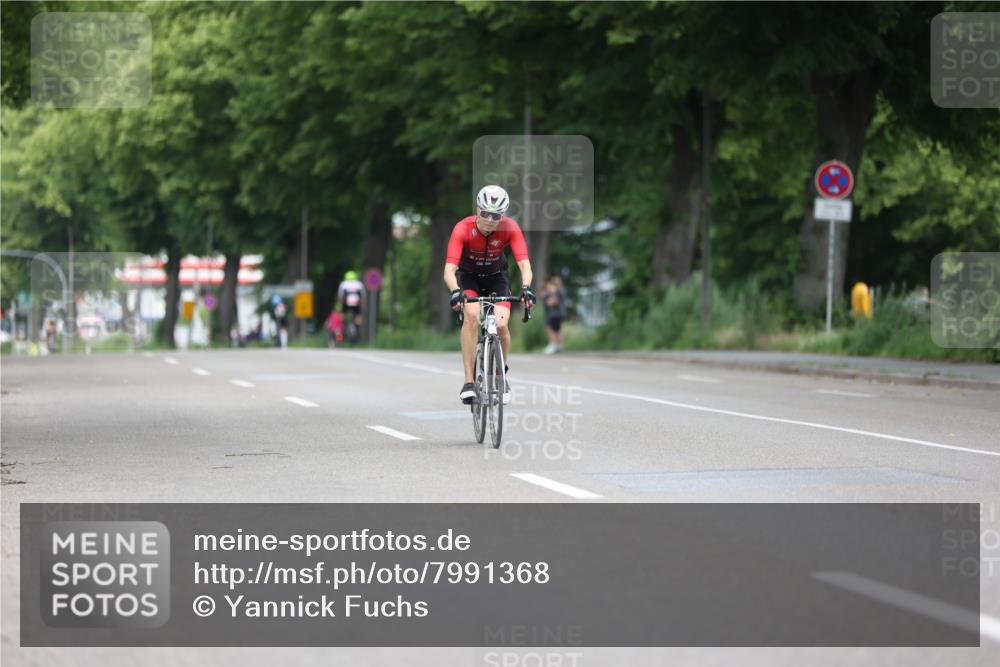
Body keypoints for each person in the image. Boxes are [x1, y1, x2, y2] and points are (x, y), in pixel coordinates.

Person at [443, 184, 535, 405]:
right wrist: (456, 291)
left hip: (496, 277)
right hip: (468, 277)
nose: (490, 220)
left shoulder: (510, 228)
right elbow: (449, 270)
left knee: (501, 325)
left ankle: (500, 376)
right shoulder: (463, 228)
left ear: (502, 215)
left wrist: (526, 288)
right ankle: (468, 382)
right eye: (485, 213)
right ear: (477, 209)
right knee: (473, 316)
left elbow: (524, 263)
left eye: (496, 215)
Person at [337, 270, 366, 344]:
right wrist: (363, 308)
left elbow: (340, 297)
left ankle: (339, 337)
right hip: (357, 304)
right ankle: (357, 329)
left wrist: (340, 307)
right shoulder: (359, 284)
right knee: (358, 317)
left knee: (340, 319)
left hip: (346, 304)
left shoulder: (343, 284)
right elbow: (363, 297)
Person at [542, 276, 567, 354]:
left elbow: (554, 301)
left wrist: (550, 301)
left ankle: (554, 345)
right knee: (558, 330)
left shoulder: (559, 291)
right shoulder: (560, 290)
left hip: (555, 313)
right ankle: (559, 346)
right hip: (556, 313)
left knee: (552, 329)